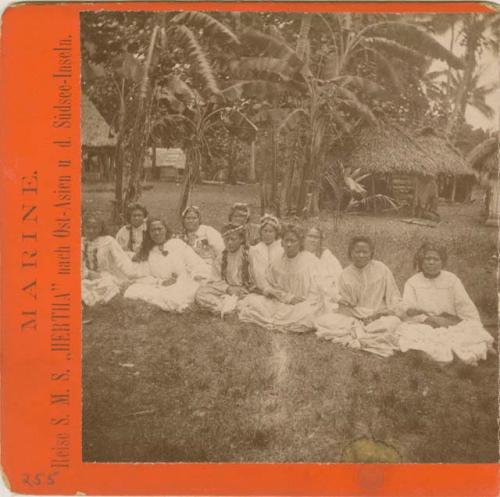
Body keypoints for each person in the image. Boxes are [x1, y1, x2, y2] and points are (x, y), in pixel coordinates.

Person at [398, 243, 493, 364]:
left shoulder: (452, 280)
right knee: (412, 334)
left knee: (472, 330)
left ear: (442, 262)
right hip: (425, 324)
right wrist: (429, 319)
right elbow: (409, 309)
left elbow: (465, 306)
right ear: (421, 261)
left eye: (436, 259)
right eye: (428, 259)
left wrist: (468, 323)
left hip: (451, 323)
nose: (431, 262)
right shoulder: (412, 282)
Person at [315, 236, 403, 357]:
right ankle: (367, 335)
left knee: (393, 322)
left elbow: (393, 295)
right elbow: (345, 308)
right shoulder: (345, 275)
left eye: (365, 252)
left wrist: (384, 313)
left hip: (379, 315)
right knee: (323, 320)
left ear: (371, 253)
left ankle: (360, 335)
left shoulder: (382, 269)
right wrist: (354, 311)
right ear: (351, 253)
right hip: (355, 317)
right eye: (357, 252)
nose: (361, 255)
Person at [238, 224, 326, 333]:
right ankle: (281, 318)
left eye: (293, 241)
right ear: (282, 242)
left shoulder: (311, 261)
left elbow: (317, 289)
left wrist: (303, 301)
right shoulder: (276, 262)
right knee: (251, 301)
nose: (289, 244)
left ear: (300, 242)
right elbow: (269, 285)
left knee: (308, 314)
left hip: (303, 302)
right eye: (286, 240)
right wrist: (285, 297)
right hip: (281, 301)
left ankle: (287, 319)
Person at [124, 218, 211, 312]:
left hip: (182, 281)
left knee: (186, 290)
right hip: (159, 286)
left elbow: (194, 262)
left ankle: (173, 302)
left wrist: (197, 273)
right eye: (153, 230)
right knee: (133, 290)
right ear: (149, 233)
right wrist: (160, 282)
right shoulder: (146, 251)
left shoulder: (177, 243)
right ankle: (174, 302)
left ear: (165, 229)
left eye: (159, 229)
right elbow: (142, 276)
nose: (157, 233)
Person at [82, 213, 142, 307]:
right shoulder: (79, 242)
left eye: (95, 228)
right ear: (83, 227)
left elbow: (121, 260)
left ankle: (94, 299)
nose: (91, 231)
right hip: (84, 276)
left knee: (108, 284)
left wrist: (132, 275)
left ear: (100, 228)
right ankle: (89, 298)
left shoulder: (108, 241)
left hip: (105, 275)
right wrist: (87, 274)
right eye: (88, 227)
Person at [195, 223, 254, 316]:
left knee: (252, 301)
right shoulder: (221, 257)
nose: (229, 242)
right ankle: (225, 308)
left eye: (233, 239)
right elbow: (215, 279)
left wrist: (244, 289)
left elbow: (257, 278)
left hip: (246, 291)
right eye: (226, 240)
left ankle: (230, 308)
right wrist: (228, 288)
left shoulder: (249, 254)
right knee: (201, 293)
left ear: (241, 239)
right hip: (228, 290)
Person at [180, 205, 225, 281]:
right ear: (183, 220)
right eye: (188, 218)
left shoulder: (207, 231)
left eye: (194, 218)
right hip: (189, 268)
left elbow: (221, 251)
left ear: (199, 220)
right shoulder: (181, 236)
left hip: (208, 266)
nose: (191, 221)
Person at [304, 226, 342, 304]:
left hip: (324, 290)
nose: (313, 240)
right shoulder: (301, 253)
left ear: (321, 240)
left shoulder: (325, 255)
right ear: (304, 238)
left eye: (316, 237)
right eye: (310, 236)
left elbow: (338, 274)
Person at [249, 214, 284, 293]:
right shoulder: (255, 249)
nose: (267, 234)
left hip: (279, 286)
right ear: (261, 232)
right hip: (261, 287)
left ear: (276, 233)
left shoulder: (281, 248)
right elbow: (255, 272)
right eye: (265, 231)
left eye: (271, 231)